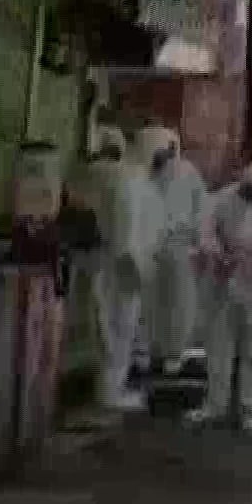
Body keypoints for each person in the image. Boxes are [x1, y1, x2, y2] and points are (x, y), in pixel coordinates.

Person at [185, 162, 252, 433]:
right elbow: (206, 231)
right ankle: (215, 404)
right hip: (222, 280)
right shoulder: (222, 199)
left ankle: (251, 412)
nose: (250, 199)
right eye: (246, 193)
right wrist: (217, 253)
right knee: (218, 345)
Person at [86, 126, 154, 412]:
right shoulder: (129, 176)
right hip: (124, 260)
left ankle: (106, 386)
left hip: (97, 258)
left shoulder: (86, 174)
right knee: (121, 326)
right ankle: (110, 391)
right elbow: (130, 224)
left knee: (103, 325)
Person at [141, 125, 206, 377]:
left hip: (178, 245)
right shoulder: (146, 173)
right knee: (153, 301)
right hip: (154, 245)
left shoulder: (186, 172)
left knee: (177, 302)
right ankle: (151, 352)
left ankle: (171, 354)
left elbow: (200, 207)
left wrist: (198, 241)